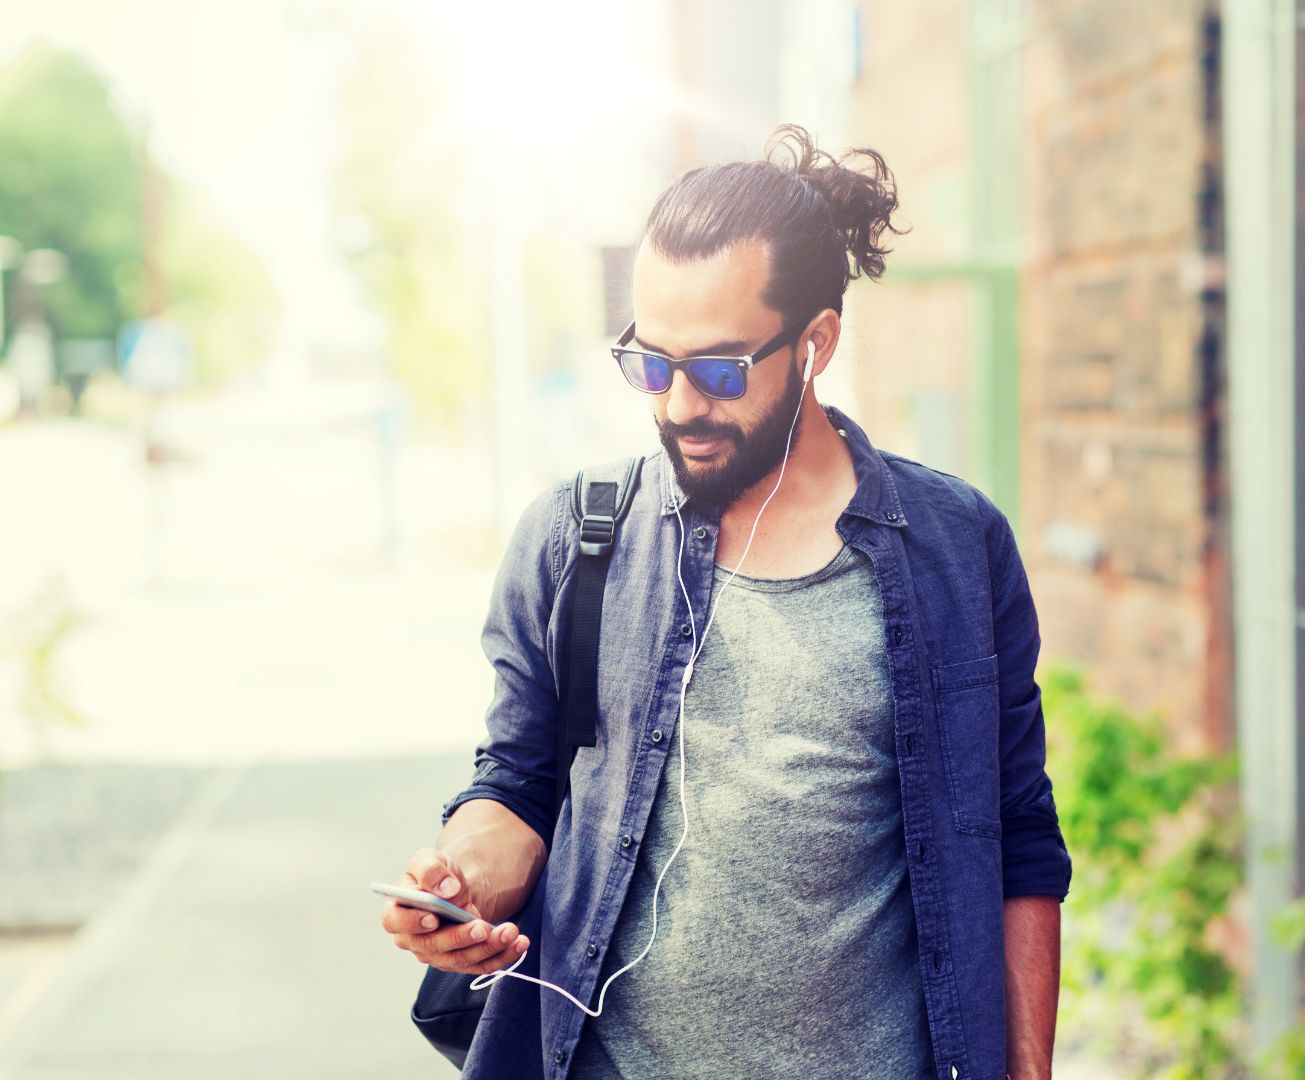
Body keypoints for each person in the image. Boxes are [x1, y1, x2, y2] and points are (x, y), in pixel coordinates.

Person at [380, 124, 1072, 1080]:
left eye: (717, 371)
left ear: (816, 343)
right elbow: (515, 786)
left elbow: (1018, 838)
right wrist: (461, 887)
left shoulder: (957, 547)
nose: (677, 406)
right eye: (651, 364)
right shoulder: (576, 541)